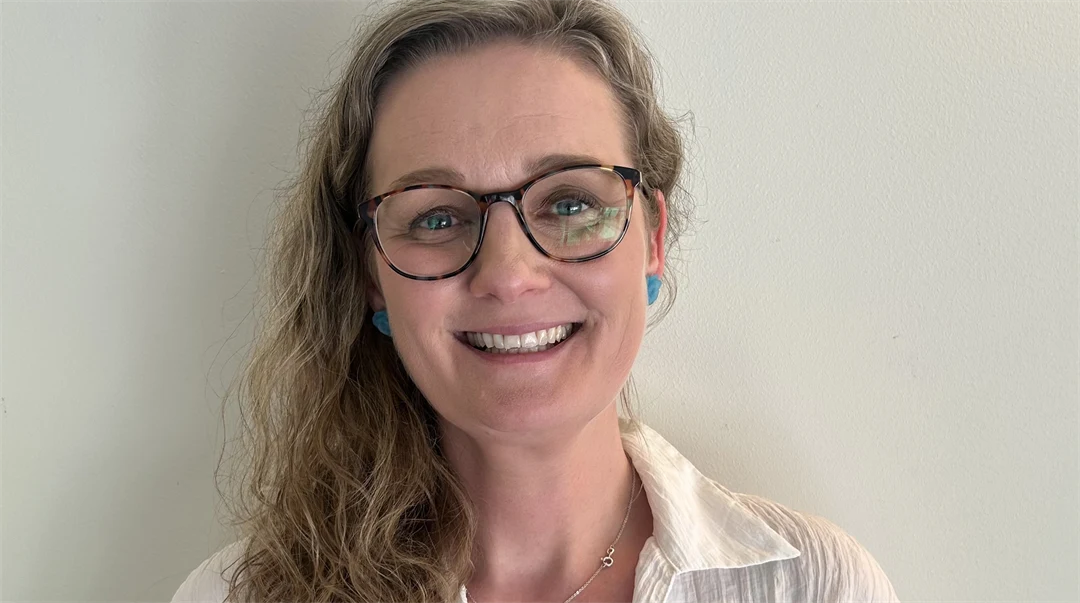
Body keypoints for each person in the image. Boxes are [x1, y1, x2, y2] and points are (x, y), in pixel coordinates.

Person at [171, 0, 899, 601]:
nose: (508, 274)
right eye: (435, 215)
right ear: (369, 275)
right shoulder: (237, 595)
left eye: (570, 202)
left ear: (651, 238)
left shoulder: (816, 584)